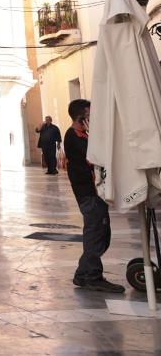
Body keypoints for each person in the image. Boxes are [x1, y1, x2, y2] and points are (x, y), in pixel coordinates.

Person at [64, 99, 124, 293]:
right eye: (90, 116)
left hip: (95, 192)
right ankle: (91, 276)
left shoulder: (83, 135)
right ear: (80, 118)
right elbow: (94, 157)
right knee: (96, 233)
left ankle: (84, 273)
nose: (93, 119)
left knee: (101, 234)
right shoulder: (73, 136)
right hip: (88, 193)